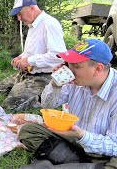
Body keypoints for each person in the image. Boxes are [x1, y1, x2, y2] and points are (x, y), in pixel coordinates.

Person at [18, 39, 117, 168]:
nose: (69, 70)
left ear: (98, 68)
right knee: (28, 130)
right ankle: (80, 164)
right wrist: (56, 84)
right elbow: (47, 105)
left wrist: (83, 136)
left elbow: (114, 145)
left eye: (76, 66)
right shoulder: (73, 80)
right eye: (68, 64)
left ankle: (75, 163)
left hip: (105, 153)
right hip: (75, 141)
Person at [0, 0, 67, 111]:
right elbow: (33, 50)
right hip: (27, 73)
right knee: (0, 87)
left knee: (9, 106)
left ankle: (42, 97)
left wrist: (29, 61)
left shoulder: (49, 23)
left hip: (43, 77)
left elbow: (58, 56)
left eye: (20, 14)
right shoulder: (32, 25)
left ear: (32, 7)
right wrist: (21, 57)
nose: (19, 18)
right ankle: (23, 89)